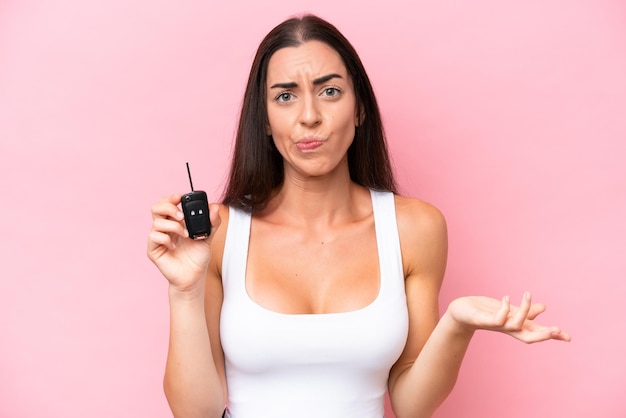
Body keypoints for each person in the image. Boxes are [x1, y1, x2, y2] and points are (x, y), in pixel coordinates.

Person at [147, 14, 570, 418]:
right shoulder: (219, 234)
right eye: (285, 95)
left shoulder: (415, 228)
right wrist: (184, 291)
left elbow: (411, 405)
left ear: (360, 109)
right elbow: (196, 412)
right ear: (265, 121)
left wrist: (456, 324)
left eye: (329, 91)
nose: (309, 116)